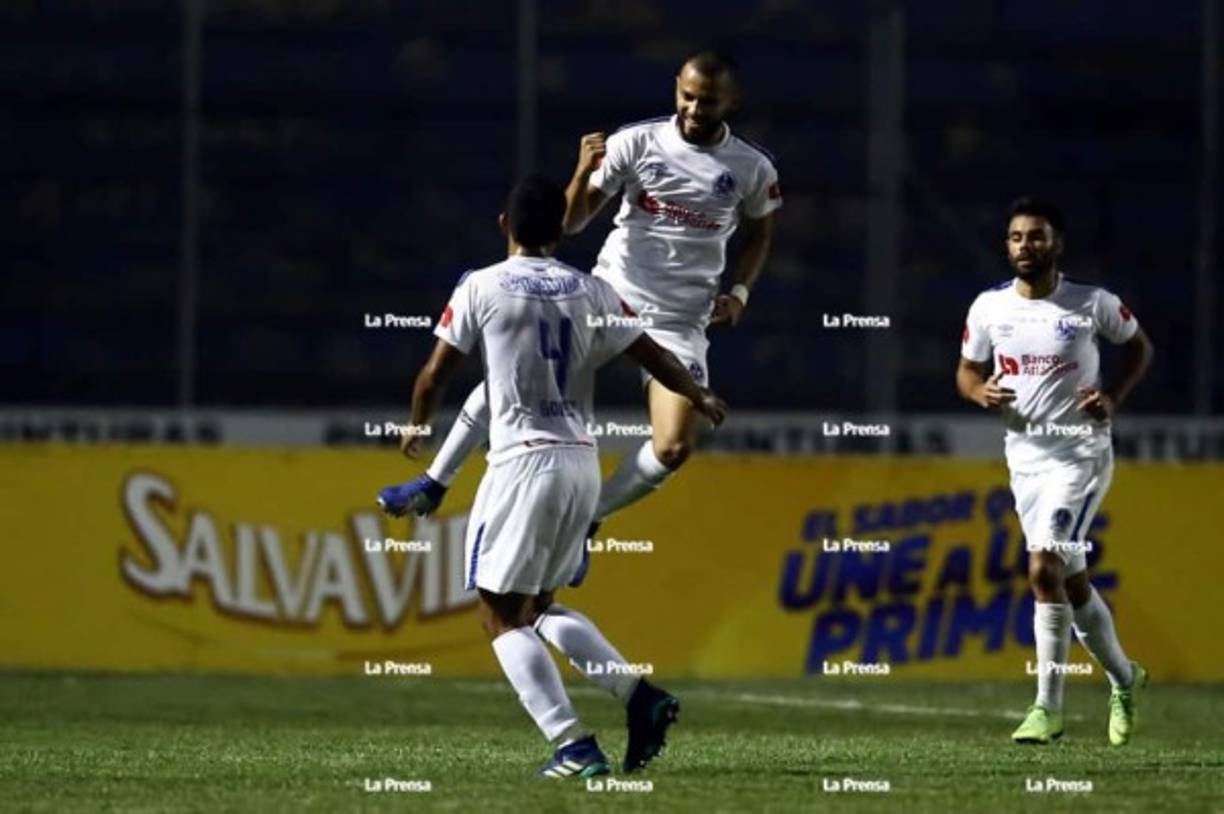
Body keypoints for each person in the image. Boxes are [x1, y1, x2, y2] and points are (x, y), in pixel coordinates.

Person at [383, 49, 779, 565]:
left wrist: (741, 291)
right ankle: (435, 481)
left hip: (682, 318)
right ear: (675, 90)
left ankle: (590, 515)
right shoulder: (635, 143)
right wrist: (579, 173)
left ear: (732, 101)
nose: (694, 110)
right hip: (611, 295)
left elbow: (759, 233)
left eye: (707, 102)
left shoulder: (752, 167)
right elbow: (569, 223)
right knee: (518, 373)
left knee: (675, 447)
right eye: (687, 97)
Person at [389, 176, 727, 777]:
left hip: (523, 463)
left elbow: (434, 375)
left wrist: (416, 427)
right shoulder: (592, 290)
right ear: (561, 228)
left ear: (504, 225)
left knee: (499, 614)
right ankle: (638, 697)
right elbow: (651, 354)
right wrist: (697, 394)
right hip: (581, 465)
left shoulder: (482, 286)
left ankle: (572, 744)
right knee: (540, 606)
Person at [956, 196, 1154, 745]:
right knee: (1070, 579)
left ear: (1056, 244)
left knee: (1042, 567)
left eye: (1038, 236)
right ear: (1008, 245)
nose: (1027, 246)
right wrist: (980, 392)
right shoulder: (989, 308)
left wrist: (1112, 397)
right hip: (1025, 458)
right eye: (1018, 237)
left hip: (1080, 455)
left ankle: (1047, 707)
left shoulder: (1091, 303)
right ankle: (1124, 676)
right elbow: (967, 371)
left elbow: (1139, 348)